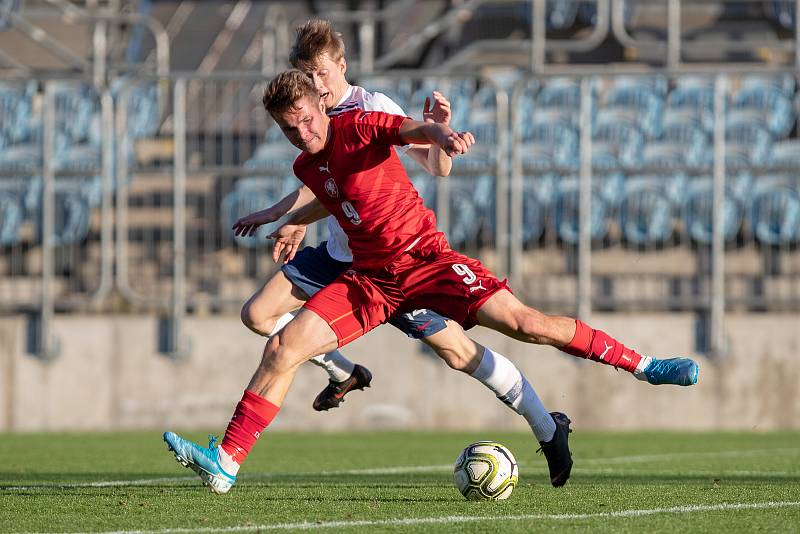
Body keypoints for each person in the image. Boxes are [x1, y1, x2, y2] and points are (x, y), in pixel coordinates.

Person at [163, 70, 699, 495]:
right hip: (373, 282)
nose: (302, 134)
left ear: (322, 103)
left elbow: (414, 134)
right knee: (282, 346)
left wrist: (445, 132)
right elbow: (335, 197)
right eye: (288, 129)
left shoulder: (361, 124)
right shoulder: (307, 167)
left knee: (527, 325)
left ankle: (645, 367)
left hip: (428, 261)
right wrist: (295, 223)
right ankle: (226, 464)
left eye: (305, 120)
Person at [230, 18, 574, 487]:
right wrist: (283, 216)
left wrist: (441, 134)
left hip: (391, 264)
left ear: (340, 66)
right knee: (259, 316)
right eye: (305, 75)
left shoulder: (373, 107)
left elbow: (436, 166)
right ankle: (342, 372)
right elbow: (323, 185)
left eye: (320, 73)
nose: (313, 84)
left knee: (457, 353)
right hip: (338, 255)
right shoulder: (310, 119)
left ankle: (546, 424)